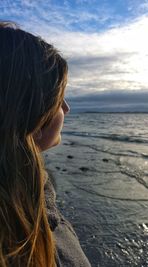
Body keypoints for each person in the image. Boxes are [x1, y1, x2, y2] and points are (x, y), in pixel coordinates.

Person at [0, 22, 91, 267]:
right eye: (59, 98)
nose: (67, 108)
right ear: (32, 114)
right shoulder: (30, 240)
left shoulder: (26, 194)